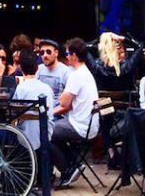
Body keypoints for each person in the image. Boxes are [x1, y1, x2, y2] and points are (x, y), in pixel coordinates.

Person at [49, 37, 100, 187]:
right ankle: (73, 163)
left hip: (80, 126)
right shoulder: (86, 72)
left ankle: (67, 169)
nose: (65, 57)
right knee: (54, 127)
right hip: (89, 125)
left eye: (67, 54)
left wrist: (48, 113)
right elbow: (69, 106)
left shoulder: (76, 75)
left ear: (74, 56)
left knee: (45, 131)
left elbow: (64, 104)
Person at [13, 49, 53, 150]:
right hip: (46, 136)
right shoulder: (47, 88)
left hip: (25, 139)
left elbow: (13, 113)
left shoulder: (20, 88)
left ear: (20, 68)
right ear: (37, 68)